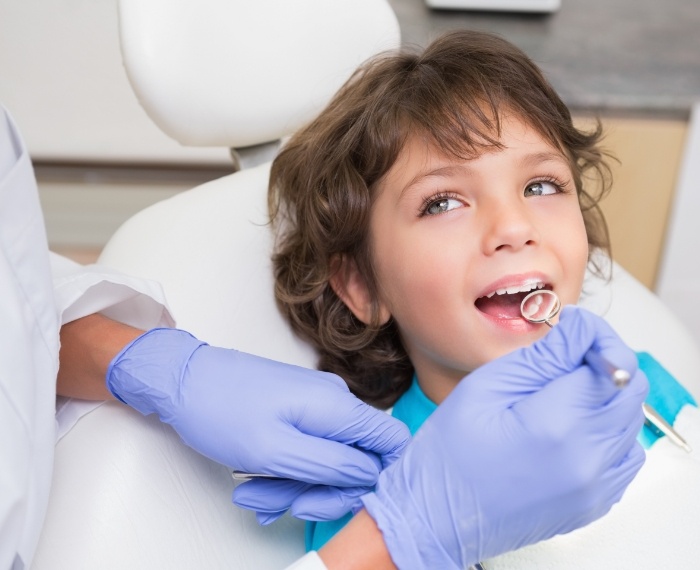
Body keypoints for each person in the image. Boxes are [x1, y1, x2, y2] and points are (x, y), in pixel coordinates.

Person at [232, 30, 699, 568]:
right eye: (443, 202)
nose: (514, 227)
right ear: (362, 286)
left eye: (542, 187)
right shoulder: (373, 498)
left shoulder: (641, 384)